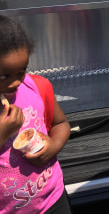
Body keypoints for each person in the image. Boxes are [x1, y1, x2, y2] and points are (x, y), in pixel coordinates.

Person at [0, 15, 72, 213]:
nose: (15, 82)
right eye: (4, 75)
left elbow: (61, 124)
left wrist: (53, 146)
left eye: (21, 71)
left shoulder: (38, 87)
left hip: (52, 198)